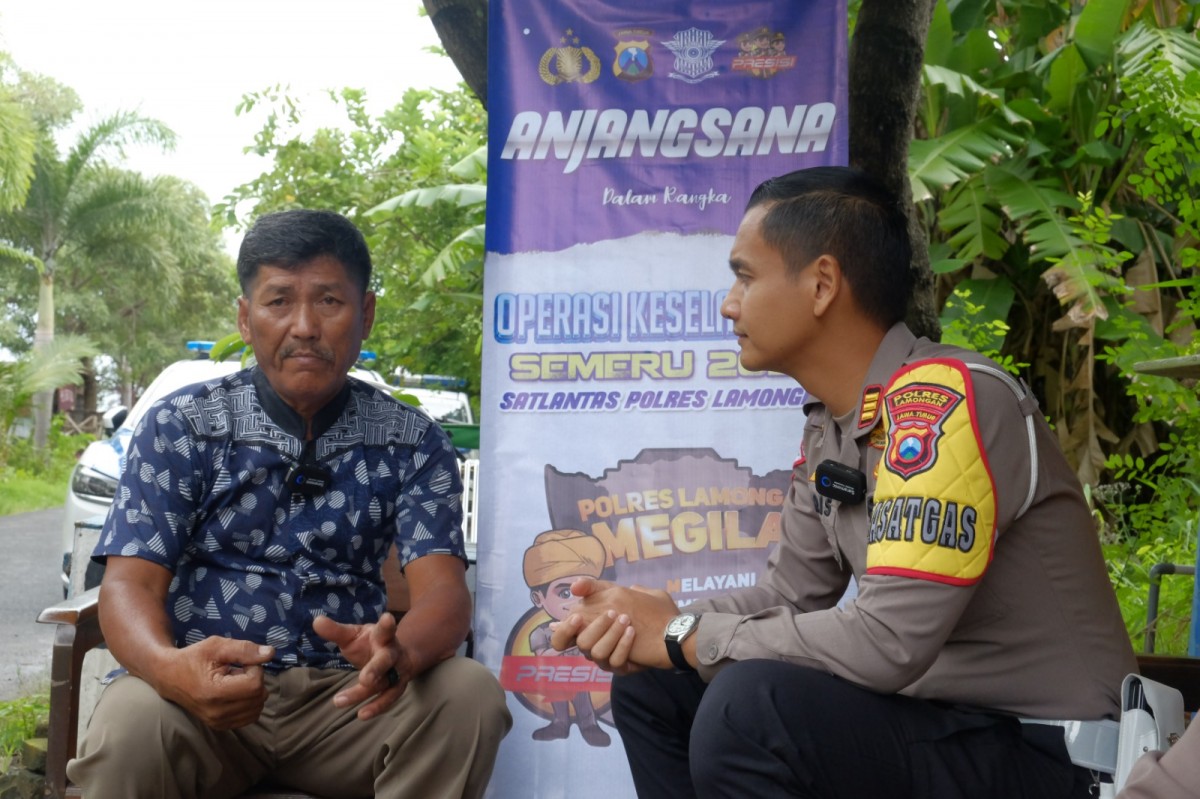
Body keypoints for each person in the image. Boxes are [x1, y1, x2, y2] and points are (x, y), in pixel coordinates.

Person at [550, 166, 1138, 798]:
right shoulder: (834, 425)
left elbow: (887, 642)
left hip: (1051, 753)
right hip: (944, 730)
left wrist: (684, 635)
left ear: (823, 284)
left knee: (753, 707)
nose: (729, 303)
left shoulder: (945, 402)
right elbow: (789, 595)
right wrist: (657, 621)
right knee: (656, 684)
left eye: (745, 276)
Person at [67, 209, 511, 798]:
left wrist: (400, 652)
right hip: (204, 697)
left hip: (350, 702)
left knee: (468, 694)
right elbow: (129, 586)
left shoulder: (412, 441)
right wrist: (171, 669)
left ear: (366, 315)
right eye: (279, 302)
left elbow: (443, 592)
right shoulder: (183, 426)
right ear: (246, 319)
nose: (304, 326)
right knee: (131, 721)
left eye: (329, 301)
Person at [522, 529, 611, 746]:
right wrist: (567, 643)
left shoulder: (596, 626)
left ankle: (589, 725)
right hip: (555, 678)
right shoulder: (541, 632)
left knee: (583, 697)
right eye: (565, 593)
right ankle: (559, 724)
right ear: (538, 598)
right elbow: (544, 657)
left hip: (583, 676)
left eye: (586, 592)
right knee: (558, 699)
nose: (576, 602)